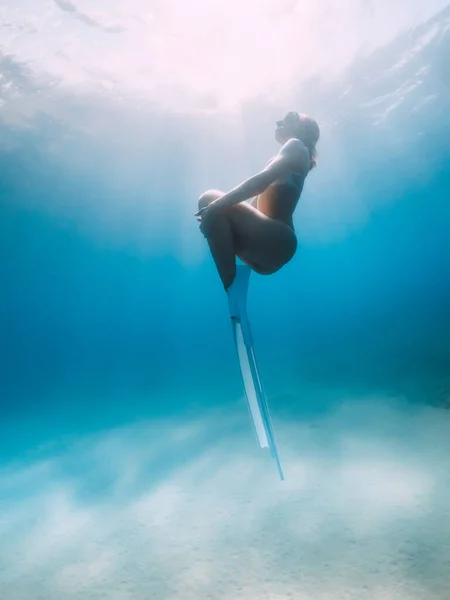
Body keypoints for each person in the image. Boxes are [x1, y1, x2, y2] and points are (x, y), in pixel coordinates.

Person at [195, 111, 320, 291]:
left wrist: (215, 207)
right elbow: (256, 206)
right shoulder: (294, 154)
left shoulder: (296, 145)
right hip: (272, 248)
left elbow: (261, 182)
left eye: (289, 118)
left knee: (209, 199)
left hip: (277, 238)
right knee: (214, 211)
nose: (279, 121)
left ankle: (232, 288)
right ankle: (235, 303)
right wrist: (214, 217)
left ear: (302, 129)